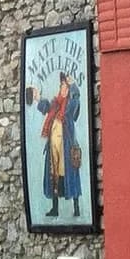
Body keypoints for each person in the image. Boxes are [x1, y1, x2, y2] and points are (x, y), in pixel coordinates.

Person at [28, 72, 82, 218]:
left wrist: (74, 85)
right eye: (62, 86)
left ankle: (76, 208)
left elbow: (76, 100)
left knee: (72, 176)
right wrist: (37, 96)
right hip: (53, 148)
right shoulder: (56, 104)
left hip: (67, 147)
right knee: (54, 177)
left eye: (66, 86)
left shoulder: (70, 105)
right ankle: (55, 208)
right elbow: (46, 107)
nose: (63, 89)